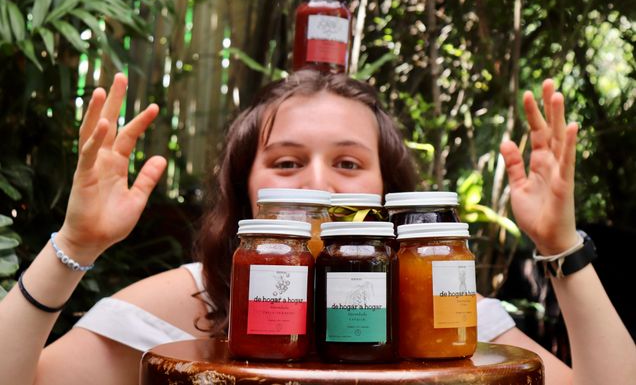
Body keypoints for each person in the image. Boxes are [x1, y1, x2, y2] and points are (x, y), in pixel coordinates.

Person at [0, 70, 634, 385]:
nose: (319, 185)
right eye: (286, 162)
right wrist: (73, 245)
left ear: (390, 194)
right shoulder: (186, 299)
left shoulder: (442, 303)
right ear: (245, 187)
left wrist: (560, 248)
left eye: (350, 163)